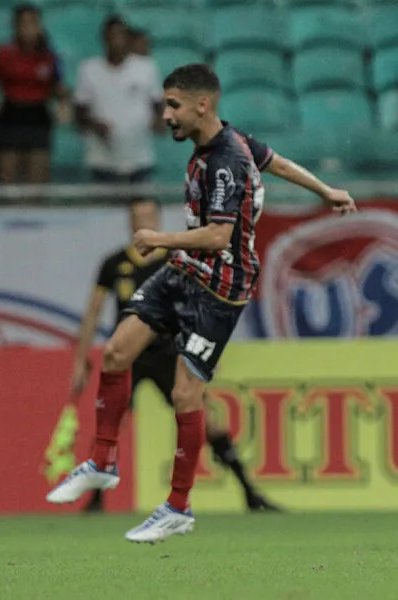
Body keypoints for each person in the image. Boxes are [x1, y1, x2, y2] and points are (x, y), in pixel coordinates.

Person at [47, 64, 356, 543]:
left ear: (201, 105)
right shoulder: (229, 143)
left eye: (172, 105)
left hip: (220, 289)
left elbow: (217, 236)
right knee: (115, 352)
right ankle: (102, 462)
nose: (166, 115)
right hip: (187, 271)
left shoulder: (225, 160)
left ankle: (178, 507)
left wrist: (159, 239)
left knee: (185, 396)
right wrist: (325, 190)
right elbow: (277, 161)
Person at [70, 198, 278, 514]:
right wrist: (80, 359)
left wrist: (206, 347)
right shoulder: (113, 264)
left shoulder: (177, 260)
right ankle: (96, 501)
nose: (145, 222)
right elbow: (93, 312)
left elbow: (198, 306)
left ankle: (249, 493)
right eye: (139, 217)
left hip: (170, 352)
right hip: (130, 356)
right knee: (111, 421)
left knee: (209, 421)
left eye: (150, 216)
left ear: (158, 219)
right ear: (131, 223)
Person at [73, 16, 164, 198]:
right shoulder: (89, 69)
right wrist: (95, 124)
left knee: (142, 212)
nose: (116, 40)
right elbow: (79, 112)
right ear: (104, 38)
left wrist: (158, 121)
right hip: (102, 156)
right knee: (105, 217)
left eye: (121, 35)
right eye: (112, 35)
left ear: (128, 39)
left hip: (139, 155)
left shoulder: (146, 68)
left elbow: (158, 105)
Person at [0, 4, 68, 184]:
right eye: (23, 23)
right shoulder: (4, 54)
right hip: (10, 115)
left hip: (37, 116)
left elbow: (59, 89)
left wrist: (63, 104)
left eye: (32, 22)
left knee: (37, 185)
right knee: (7, 185)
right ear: (15, 26)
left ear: (39, 26)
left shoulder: (49, 56)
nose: (28, 28)